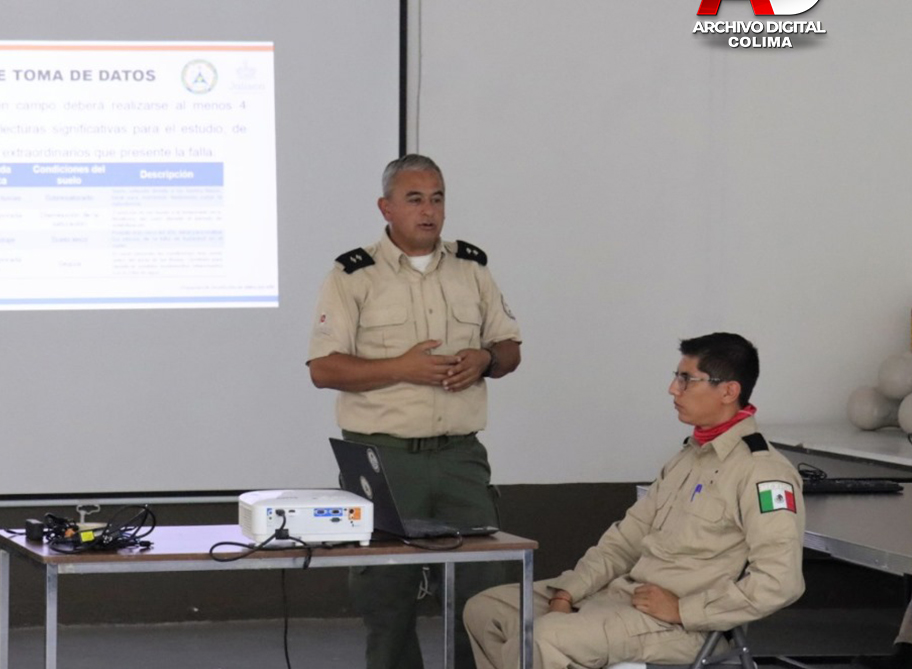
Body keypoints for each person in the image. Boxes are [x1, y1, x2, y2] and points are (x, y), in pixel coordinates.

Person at [463, 332, 806, 669]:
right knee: (485, 610)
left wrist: (684, 610)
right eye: (676, 377)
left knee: (541, 639)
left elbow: (779, 582)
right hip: (624, 598)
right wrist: (569, 591)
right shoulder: (688, 458)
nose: (673, 389)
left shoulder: (763, 473)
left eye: (687, 380)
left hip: (682, 627)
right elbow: (625, 541)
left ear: (729, 391)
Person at [307, 153, 522, 669]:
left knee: (482, 594)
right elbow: (324, 368)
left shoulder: (472, 268)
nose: (428, 211)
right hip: (382, 459)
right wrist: (401, 367)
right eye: (414, 199)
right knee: (386, 597)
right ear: (386, 208)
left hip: (459, 458)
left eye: (437, 199)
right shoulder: (353, 274)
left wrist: (486, 359)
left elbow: (510, 349)